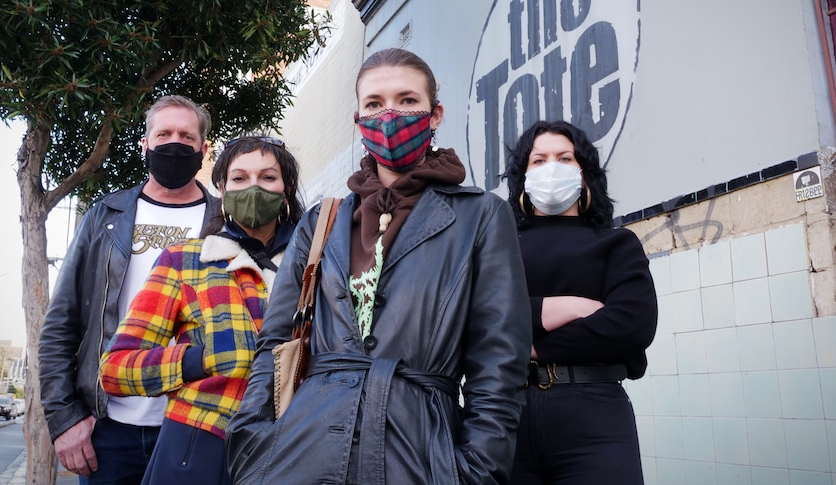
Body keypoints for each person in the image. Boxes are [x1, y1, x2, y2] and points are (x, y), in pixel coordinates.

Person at [226, 47, 532, 485]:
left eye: (407, 101)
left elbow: (499, 362)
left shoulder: (480, 215)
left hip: (419, 453)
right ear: (358, 120)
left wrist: (477, 471)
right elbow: (274, 342)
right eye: (374, 104)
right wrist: (253, 444)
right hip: (300, 452)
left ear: (435, 114)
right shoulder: (322, 220)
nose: (390, 115)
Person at [98, 135, 304, 484]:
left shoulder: (313, 263)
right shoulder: (185, 260)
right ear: (222, 190)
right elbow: (115, 370)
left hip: (292, 447)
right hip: (200, 447)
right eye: (240, 178)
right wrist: (201, 360)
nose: (253, 188)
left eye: (268, 177)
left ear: (286, 191)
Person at [38, 94, 220, 484]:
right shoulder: (105, 216)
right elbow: (61, 322)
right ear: (145, 145)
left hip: (196, 426)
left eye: (187, 137)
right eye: (164, 134)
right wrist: (64, 418)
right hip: (109, 428)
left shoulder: (225, 220)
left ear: (204, 150)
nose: (175, 143)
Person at [504, 120, 658, 484]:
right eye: (538, 160)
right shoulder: (498, 250)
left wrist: (530, 345)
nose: (551, 167)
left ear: (584, 174)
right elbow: (478, 320)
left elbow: (631, 326)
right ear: (523, 177)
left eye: (565, 157)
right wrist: (569, 307)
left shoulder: (617, 244)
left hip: (595, 417)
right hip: (504, 416)